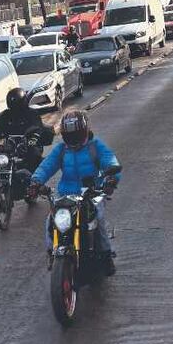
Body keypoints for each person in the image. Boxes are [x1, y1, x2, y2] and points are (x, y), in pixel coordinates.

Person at [30, 110, 121, 275]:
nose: (73, 139)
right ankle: (52, 252)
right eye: (69, 135)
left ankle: (106, 255)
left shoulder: (96, 146)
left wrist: (111, 179)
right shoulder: (61, 150)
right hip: (66, 195)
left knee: (98, 219)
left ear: (85, 131)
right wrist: (36, 181)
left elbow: (110, 160)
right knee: (51, 221)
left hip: (92, 193)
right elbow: (47, 166)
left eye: (76, 134)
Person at [0, 88, 52, 173]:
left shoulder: (32, 114)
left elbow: (38, 129)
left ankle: (35, 182)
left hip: (28, 148)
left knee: (34, 160)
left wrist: (31, 141)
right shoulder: (6, 115)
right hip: (10, 149)